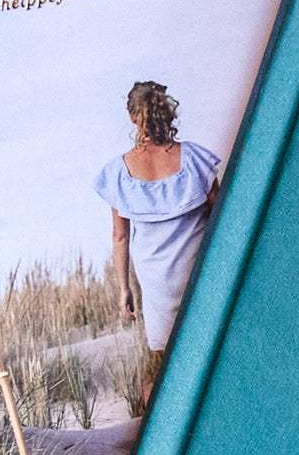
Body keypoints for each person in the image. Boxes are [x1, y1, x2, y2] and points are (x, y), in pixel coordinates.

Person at [93, 81, 220, 353]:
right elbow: (221, 218)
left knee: (171, 354)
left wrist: (124, 289)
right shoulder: (195, 159)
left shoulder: (119, 174)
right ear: (166, 111)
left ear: (132, 118)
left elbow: (120, 236)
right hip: (200, 275)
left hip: (158, 285)